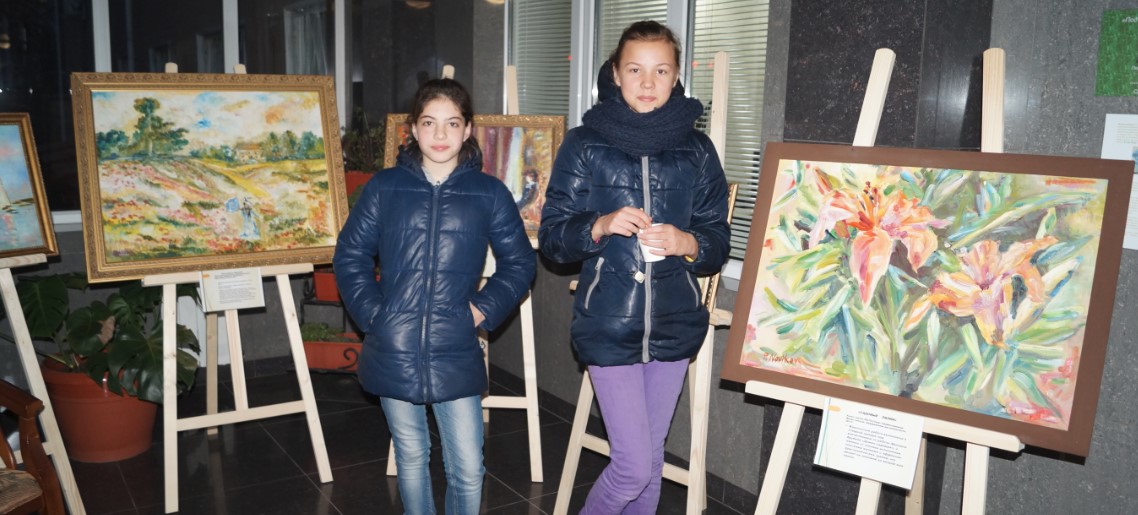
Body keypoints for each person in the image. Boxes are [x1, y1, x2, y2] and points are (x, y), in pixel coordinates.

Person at [538, 20, 730, 514]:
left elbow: (717, 241)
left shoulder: (697, 150)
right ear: (615, 74)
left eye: (660, 70)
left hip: (675, 324)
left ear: (676, 75)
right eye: (635, 70)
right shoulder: (584, 143)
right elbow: (553, 238)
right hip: (607, 323)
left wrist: (688, 241)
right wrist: (599, 225)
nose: (647, 82)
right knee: (631, 467)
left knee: (650, 463)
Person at [335, 78, 535, 515]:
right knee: (411, 455)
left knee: (469, 468)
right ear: (413, 128)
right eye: (429, 123)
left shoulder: (489, 193)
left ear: (468, 130)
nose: (440, 134)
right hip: (393, 344)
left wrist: (480, 310)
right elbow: (350, 255)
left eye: (452, 123)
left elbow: (520, 264)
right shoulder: (384, 187)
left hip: (456, 345)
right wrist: (375, 316)